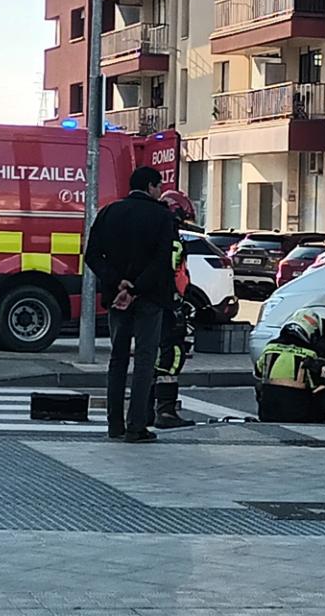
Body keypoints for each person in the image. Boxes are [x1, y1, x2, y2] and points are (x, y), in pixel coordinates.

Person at [84, 165, 180, 443]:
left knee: (118, 359)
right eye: (159, 185)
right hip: (149, 298)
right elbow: (163, 261)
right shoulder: (162, 217)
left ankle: (114, 424)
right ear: (150, 186)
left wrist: (118, 284)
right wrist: (136, 287)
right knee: (145, 360)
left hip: (117, 299)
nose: (160, 190)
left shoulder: (109, 212)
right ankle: (136, 426)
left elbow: (92, 255)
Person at [151, 190, 200, 429]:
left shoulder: (154, 231)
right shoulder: (170, 238)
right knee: (172, 356)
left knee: (154, 356)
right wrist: (177, 302)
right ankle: (166, 411)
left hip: (157, 303)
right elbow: (173, 270)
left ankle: (147, 410)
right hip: (168, 304)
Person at [255, 309, 325, 422]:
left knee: (260, 386)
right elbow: (315, 383)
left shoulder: (270, 348)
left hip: (268, 412)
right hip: (298, 414)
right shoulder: (310, 354)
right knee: (323, 388)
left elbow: (257, 372)